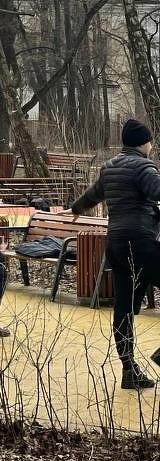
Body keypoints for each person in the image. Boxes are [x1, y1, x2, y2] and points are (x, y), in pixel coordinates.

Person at [71, 118, 160, 390]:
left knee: (123, 308)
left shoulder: (110, 167)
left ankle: (129, 370)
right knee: (125, 306)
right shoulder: (144, 167)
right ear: (144, 143)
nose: (152, 146)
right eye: (150, 142)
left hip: (117, 246)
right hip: (141, 243)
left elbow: (92, 194)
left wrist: (75, 208)